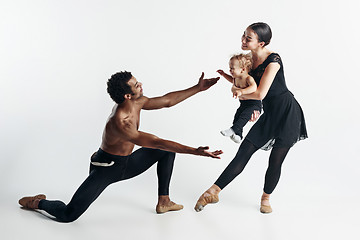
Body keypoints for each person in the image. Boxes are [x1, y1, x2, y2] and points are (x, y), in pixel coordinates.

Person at [19, 71, 223, 222]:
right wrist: (194, 151)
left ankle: (164, 201)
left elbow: (167, 101)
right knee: (68, 215)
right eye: (136, 84)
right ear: (127, 95)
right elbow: (155, 141)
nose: (140, 84)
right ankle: (38, 202)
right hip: (107, 168)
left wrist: (198, 88)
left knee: (165, 153)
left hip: (127, 162)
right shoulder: (120, 121)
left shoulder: (137, 102)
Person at [194, 22, 308, 214]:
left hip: (288, 113)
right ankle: (212, 192)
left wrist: (243, 96)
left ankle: (265, 198)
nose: (243, 40)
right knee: (243, 152)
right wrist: (253, 105)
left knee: (275, 161)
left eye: (249, 38)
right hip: (269, 113)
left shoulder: (273, 61)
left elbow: (261, 93)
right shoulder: (246, 60)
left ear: (261, 43)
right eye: (243, 36)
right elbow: (247, 85)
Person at [217, 53, 262, 143]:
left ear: (243, 69)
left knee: (243, 117)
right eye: (229, 68)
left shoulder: (248, 78)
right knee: (237, 116)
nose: (230, 71)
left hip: (254, 105)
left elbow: (253, 87)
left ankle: (233, 130)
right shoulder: (236, 78)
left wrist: (242, 92)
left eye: (232, 68)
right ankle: (238, 135)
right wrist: (224, 74)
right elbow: (231, 80)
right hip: (243, 104)